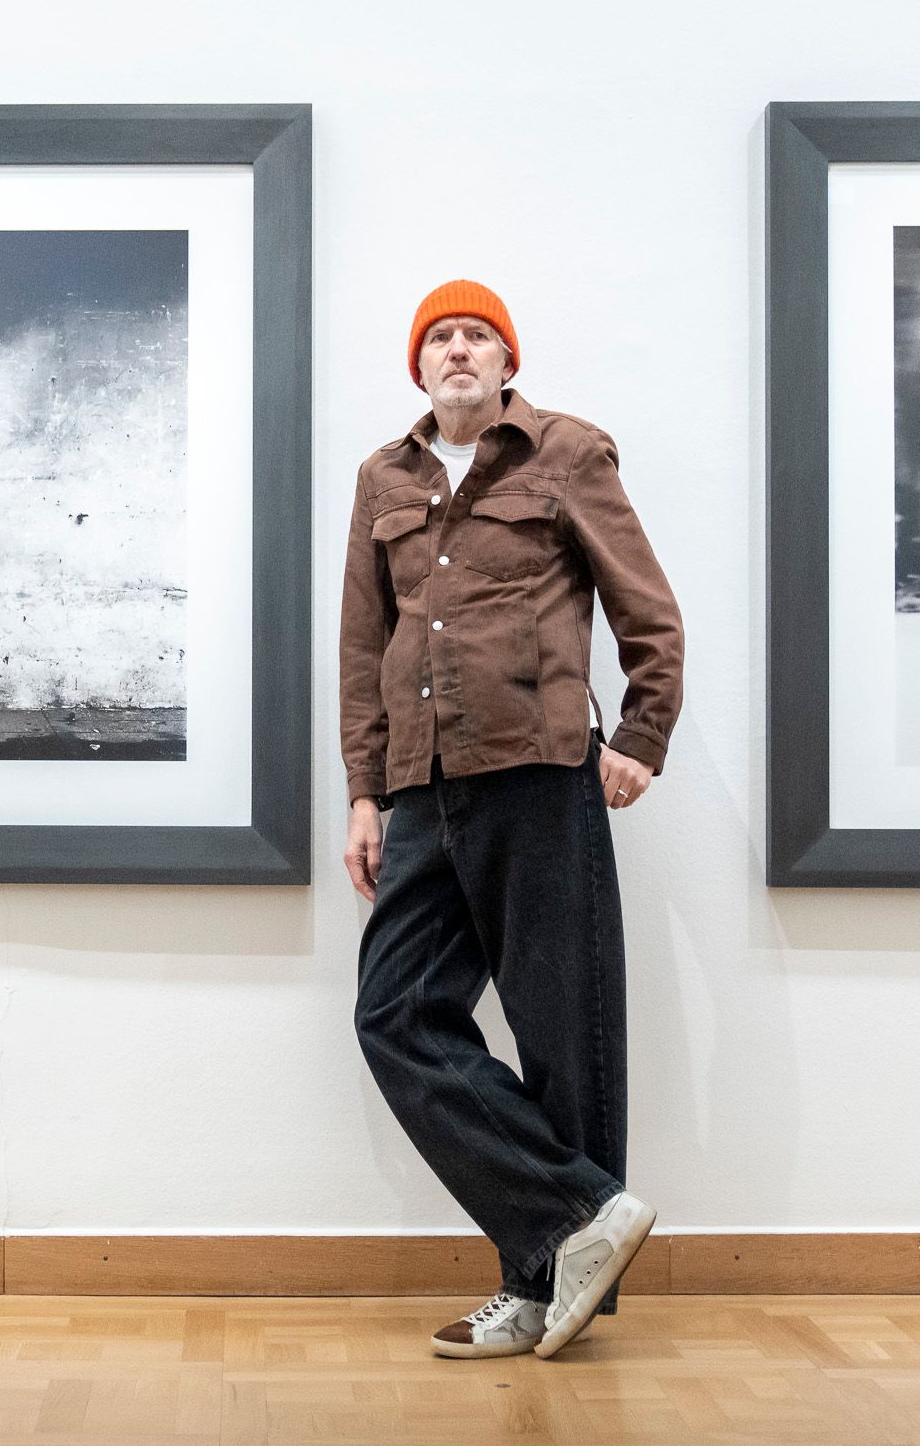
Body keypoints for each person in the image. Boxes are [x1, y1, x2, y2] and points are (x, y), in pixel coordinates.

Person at [340, 281, 684, 1360]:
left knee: (560, 1036)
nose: (456, 351)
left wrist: (639, 736)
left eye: (475, 337)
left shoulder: (568, 453)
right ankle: (578, 1212)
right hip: (420, 782)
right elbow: (363, 647)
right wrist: (364, 789)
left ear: (504, 362)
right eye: (437, 338)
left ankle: (539, 1293)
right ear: (418, 366)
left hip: (538, 772)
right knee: (394, 1014)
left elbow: (648, 611)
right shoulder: (381, 479)